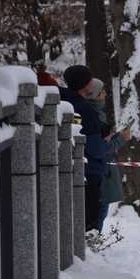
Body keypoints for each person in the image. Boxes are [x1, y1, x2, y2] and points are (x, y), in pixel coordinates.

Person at [60, 65, 109, 232]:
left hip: (64, 167)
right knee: (89, 222)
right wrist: (106, 141)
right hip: (89, 172)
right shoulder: (85, 109)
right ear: (86, 84)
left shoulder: (63, 101)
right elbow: (96, 148)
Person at [84, 78, 131, 232]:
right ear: (95, 96)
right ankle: (92, 244)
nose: (105, 95)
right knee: (97, 214)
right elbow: (101, 149)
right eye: (101, 92)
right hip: (97, 172)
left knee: (98, 211)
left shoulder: (96, 114)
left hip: (99, 171)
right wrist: (120, 139)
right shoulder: (93, 116)